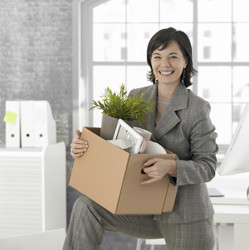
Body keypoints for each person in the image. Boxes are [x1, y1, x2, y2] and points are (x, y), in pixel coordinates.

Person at [63, 27, 218, 250]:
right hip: (143, 206)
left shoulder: (197, 108)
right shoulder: (137, 96)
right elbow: (118, 146)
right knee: (86, 206)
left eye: (173, 57)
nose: (164, 64)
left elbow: (208, 166)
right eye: (157, 56)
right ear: (150, 61)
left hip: (185, 213)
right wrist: (85, 147)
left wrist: (171, 167)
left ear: (186, 62)